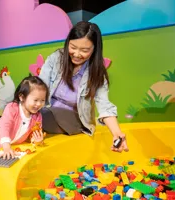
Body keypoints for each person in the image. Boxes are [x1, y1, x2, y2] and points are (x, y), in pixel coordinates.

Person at [38, 21, 129, 153]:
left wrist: (117, 133)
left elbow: (104, 105)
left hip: (74, 119)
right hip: (48, 112)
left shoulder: (97, 73)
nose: (76, 54)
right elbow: (40, 87)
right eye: (73, 47)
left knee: (41, 116)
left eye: (84, 50)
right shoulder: (56, 58)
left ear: (94, 49)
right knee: (25, 111)